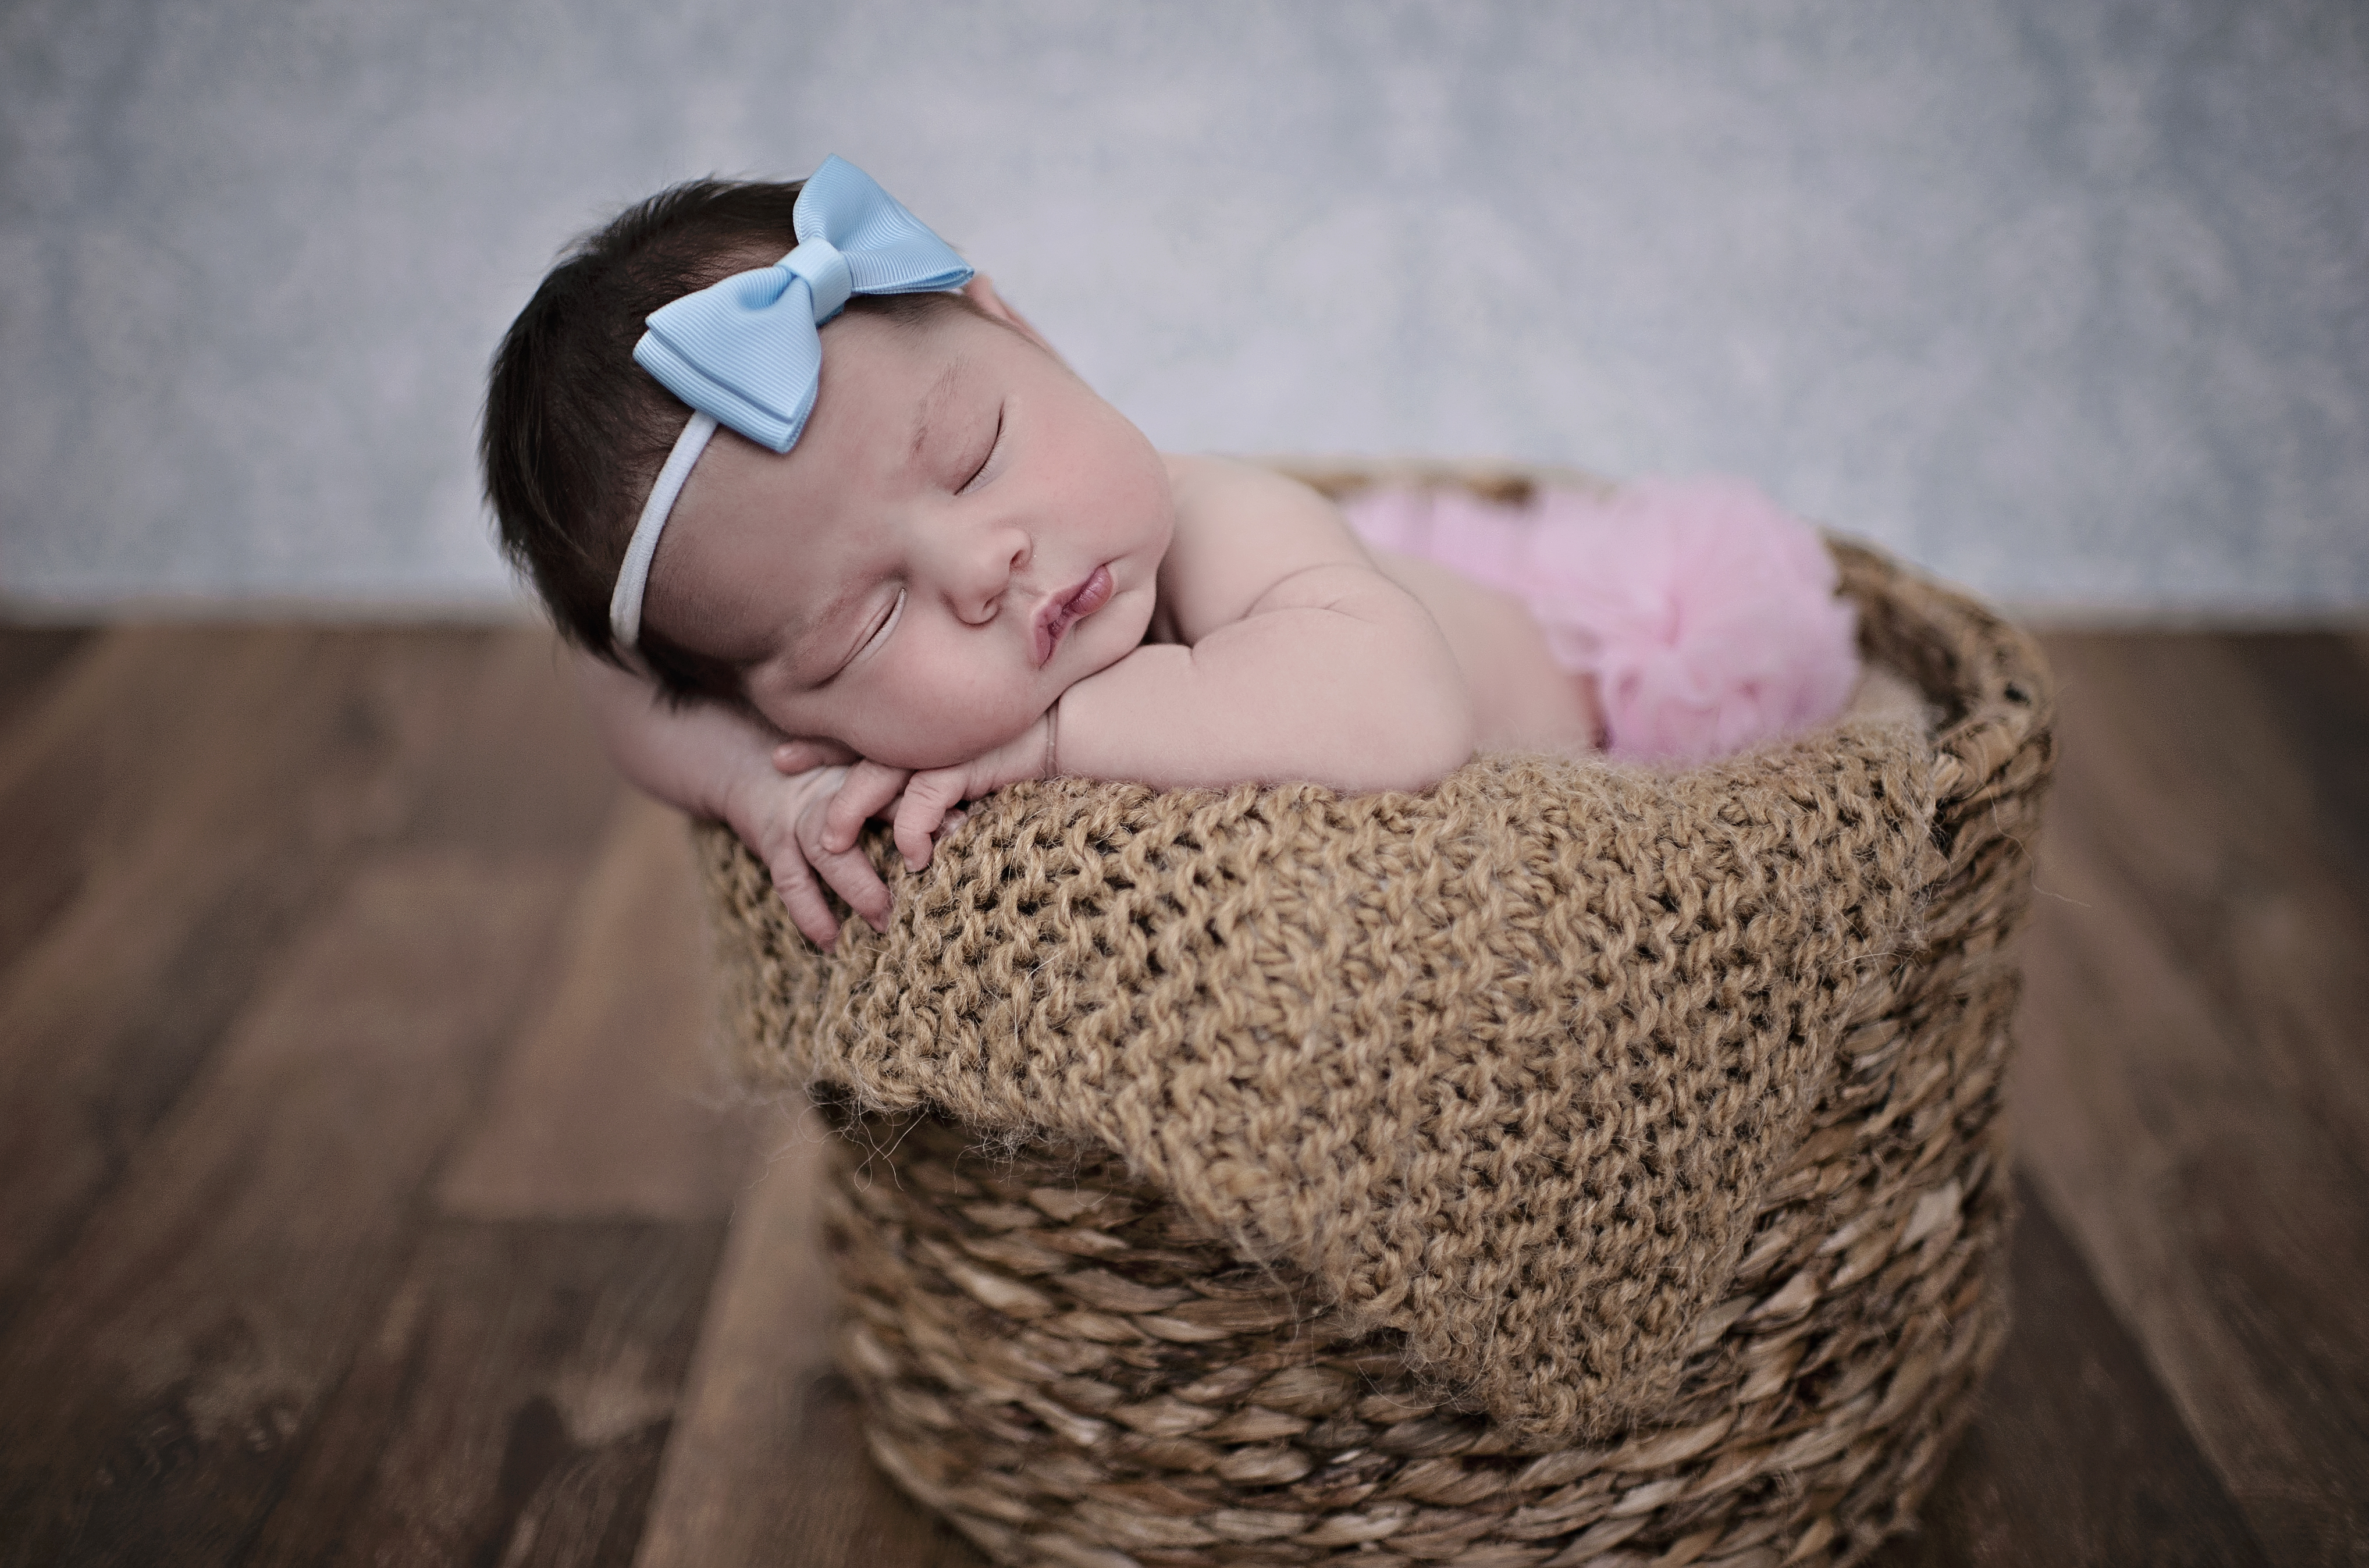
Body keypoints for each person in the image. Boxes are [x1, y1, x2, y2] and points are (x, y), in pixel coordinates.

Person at [482, 158, 1853, 948]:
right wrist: (756, 794)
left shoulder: (1213, 522)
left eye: (972, 454)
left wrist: (1048, 738)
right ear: (773, 695)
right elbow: (621, 681)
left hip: (1603, 708)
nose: (981, 564)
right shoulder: (778, 690)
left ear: (1020, 331)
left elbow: (1402, 712)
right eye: (864, 621)